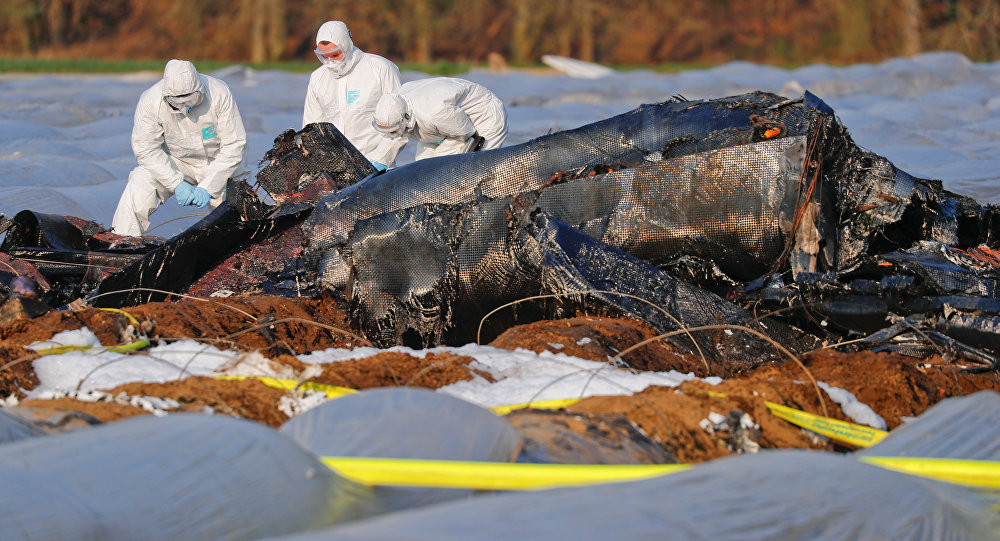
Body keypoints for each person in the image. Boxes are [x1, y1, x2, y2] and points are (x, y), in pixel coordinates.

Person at [112, 59, 248, 237]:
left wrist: (208, 187)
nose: (185, 109)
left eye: (190, 102)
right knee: (140, 181)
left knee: (240, 219)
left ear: (199, 89)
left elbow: (234, 144)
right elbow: (146, 150)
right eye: (178, 104)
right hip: (179, 162)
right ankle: (122, 241)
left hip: (220, 164)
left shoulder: (219, 92)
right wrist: (176, 183)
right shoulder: (150, 101)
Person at [303, 20, 406, 171]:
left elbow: (401, 122)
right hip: (336, 172)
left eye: (335, 54)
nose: (330, 61)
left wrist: (381, 161)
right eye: (324, 56)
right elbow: (311, 129)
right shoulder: (317, 78)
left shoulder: (381, 69)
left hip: (378, 168)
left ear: (346, 46)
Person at [372, 77, 508, 161]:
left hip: (483, 117)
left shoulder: (434, 113)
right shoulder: (399, 101)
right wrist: (378, 161)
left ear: (406, 118)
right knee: (422, 167)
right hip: (445, 125)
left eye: (393, 131)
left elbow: (467, 132)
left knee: (446, 169)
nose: (390, 136)